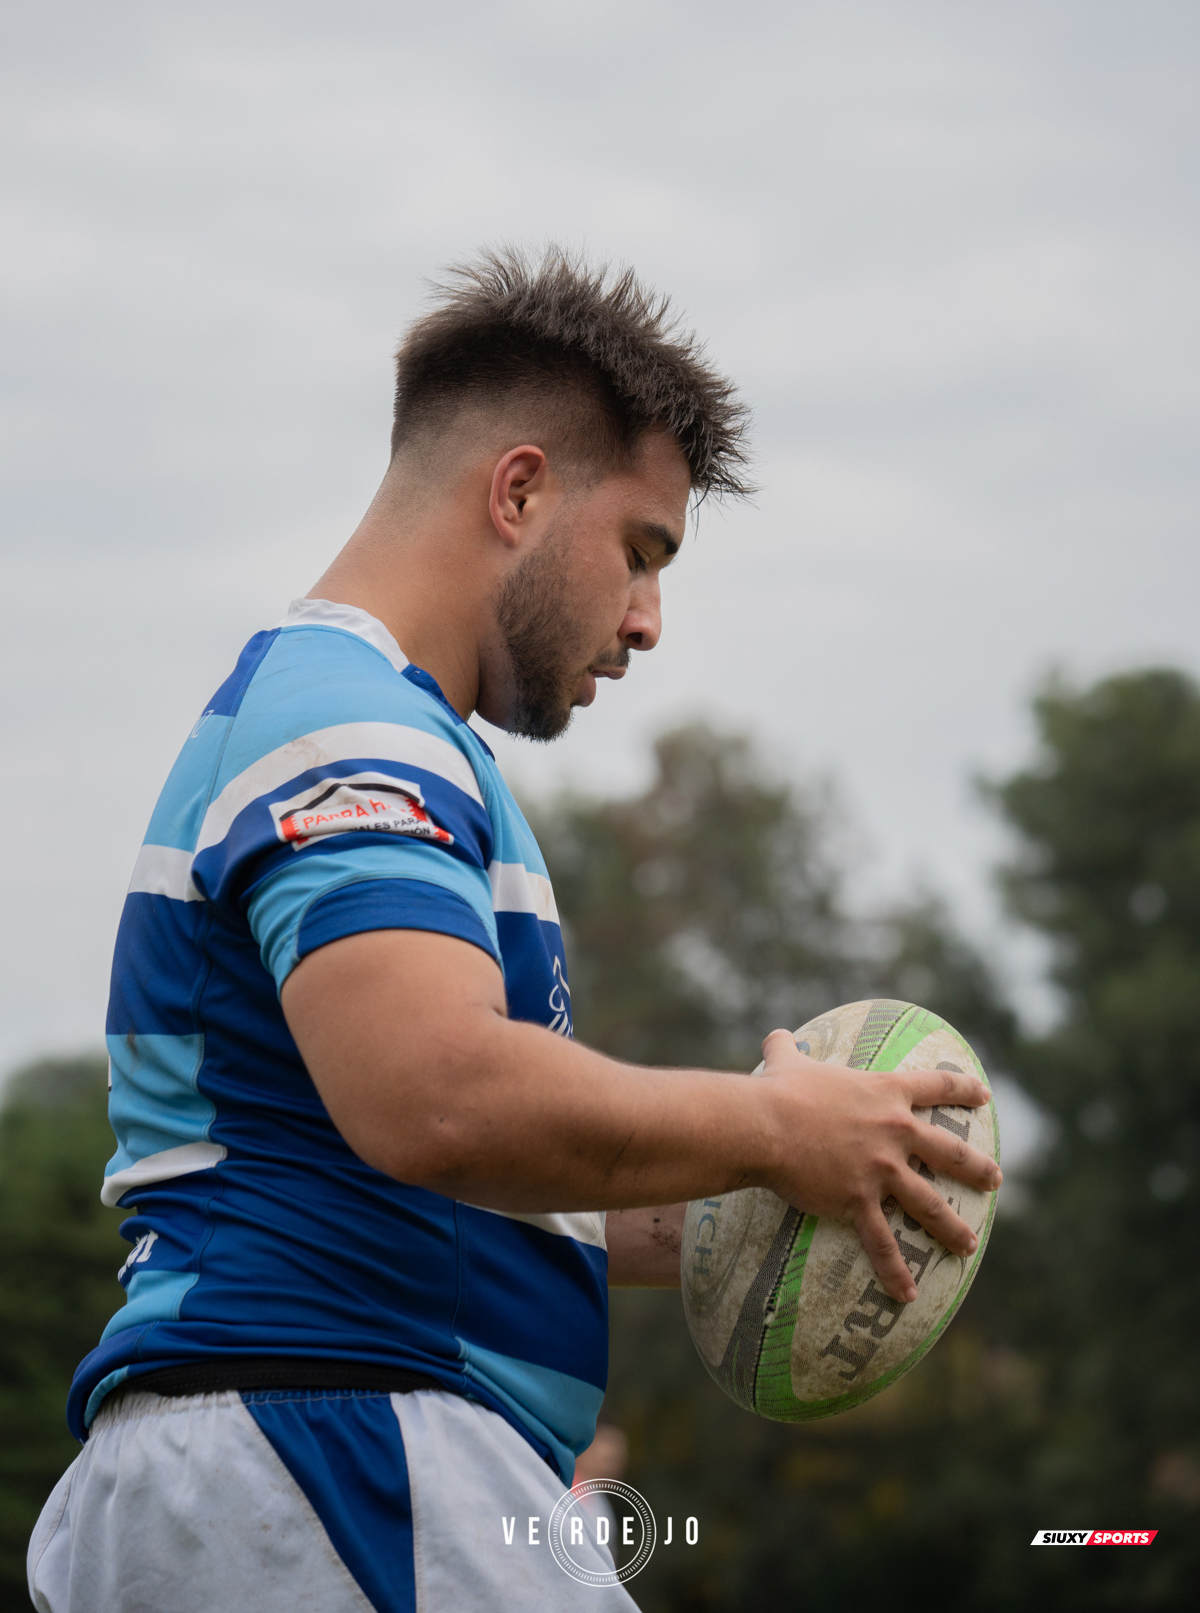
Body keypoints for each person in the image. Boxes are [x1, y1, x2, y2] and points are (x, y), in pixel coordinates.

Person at [28, 248, 1001, 1612]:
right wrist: (773, 1125)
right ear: (522, 489)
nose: (651, 620)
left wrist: (753, 1198)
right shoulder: (350, 721)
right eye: (642, 552)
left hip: (317, 1455)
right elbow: (433, 1094)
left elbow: (408, 1152)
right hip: (336, 1450)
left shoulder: (385, 732)